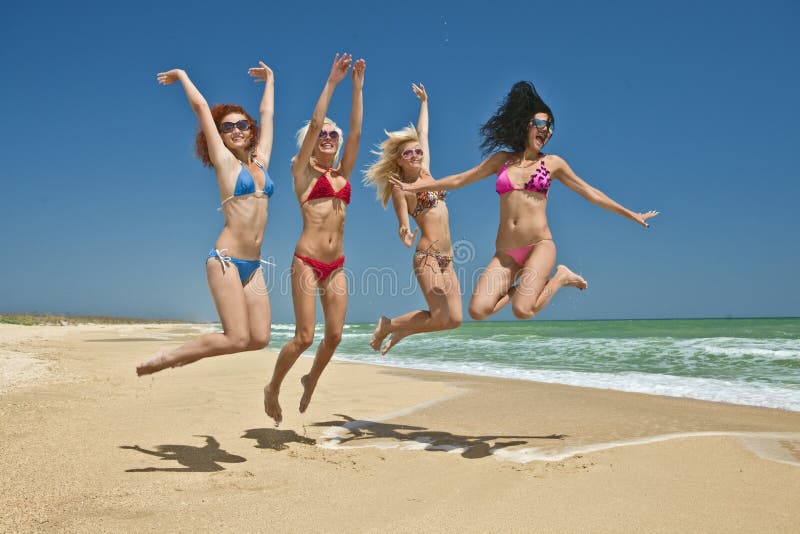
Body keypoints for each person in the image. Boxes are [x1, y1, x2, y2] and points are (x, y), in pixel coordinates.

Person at [390, 81, 657, 321]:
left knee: (522, 310)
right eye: (541, 124)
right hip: (506, 254)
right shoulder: (501, 161)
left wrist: (630, 213)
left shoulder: (552, 164)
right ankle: (522, 288)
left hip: (539, 245)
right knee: (478, 311)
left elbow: (590, 192)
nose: (547, 130)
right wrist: (423, 185)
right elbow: (460, 179)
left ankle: (561, 277)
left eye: (550, 126)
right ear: (527, 125)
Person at [136, 62, 275, 376]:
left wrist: (271, 80)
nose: (236, 130)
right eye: (227, 127)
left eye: (242, 124)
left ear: (250, 129)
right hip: (225, 261)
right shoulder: (224, 162)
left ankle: (188, 354)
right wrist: (184, 76)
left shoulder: (261, 161)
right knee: (237, 337)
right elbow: (201, 107)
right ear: (221, 136)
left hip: (253, 266)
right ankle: (168, 356)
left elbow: (268, 114)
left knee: (259, 338)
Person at [264, 54, 365, 425]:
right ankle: (273, 386)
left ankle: (310, 379)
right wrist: (333, 81)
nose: (327, 137)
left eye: (331, 136)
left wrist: (357, 87)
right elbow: (317, 122)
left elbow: (355, 132)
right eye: (322, 135)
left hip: (336, 264)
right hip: (307, 260)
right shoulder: (301, 173)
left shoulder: (343, 173)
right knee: (304, 337)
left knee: (334, 336)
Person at [364, 83, 461, 355]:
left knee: (453, 320)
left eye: (418, 151)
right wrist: (405, 233)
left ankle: (402, 329)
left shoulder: (428, 174)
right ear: (399, 161)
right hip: (427, 256)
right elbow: (403, 224)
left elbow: (424, 133)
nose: (417, 155)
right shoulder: (400, 188)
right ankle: (389, 325)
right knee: (440, 315)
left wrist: (424, 103)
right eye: (409, 153)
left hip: (448, 258)